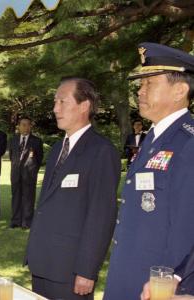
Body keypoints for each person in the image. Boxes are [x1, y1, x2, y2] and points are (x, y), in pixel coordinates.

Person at [104, 43, 194, 300]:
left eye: (149, 84)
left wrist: (171, 277)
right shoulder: (153, 137)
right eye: (140, 85)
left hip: (159, 286)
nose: (140, 92)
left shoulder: (189, 143)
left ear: (179, 91)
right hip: (127, 273)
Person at [25, 77, 121, 300]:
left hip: (70, 269)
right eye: (55, 102)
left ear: (84, 105)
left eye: (62, 102)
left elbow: (101, 216)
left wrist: (87, 271)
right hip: (43, 262)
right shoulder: (59, 147)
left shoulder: (101, 151)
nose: (55, 108)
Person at [9, 116, 43, 229]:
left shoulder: (37, 141)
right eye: (23, 124)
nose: (25, 127)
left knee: (28, 197)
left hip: (29, 174)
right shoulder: (13, 139)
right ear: (18, 126)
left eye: (28, 124)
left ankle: (27, 222)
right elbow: (11, 157)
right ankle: (15, 220)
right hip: (15, 174)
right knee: (16, 197)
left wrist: (33, 170)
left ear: (30, 126)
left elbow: (39, 159)